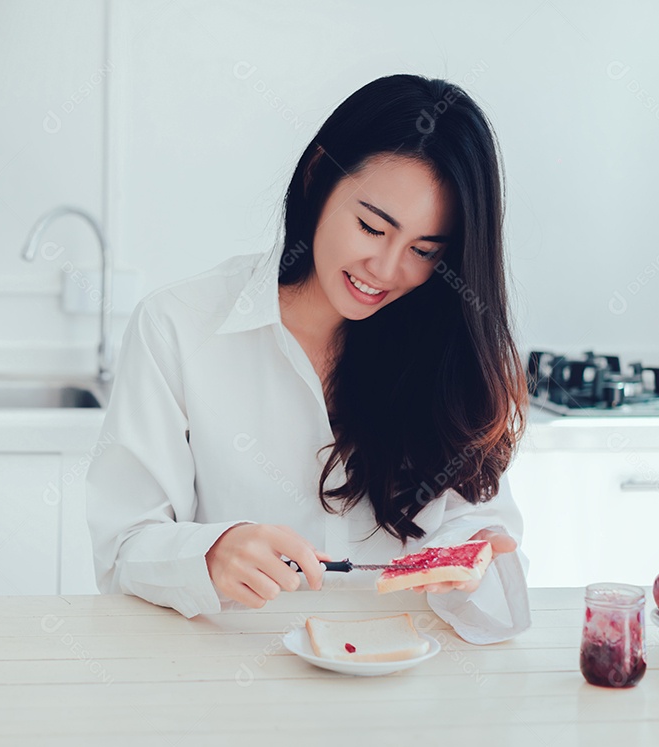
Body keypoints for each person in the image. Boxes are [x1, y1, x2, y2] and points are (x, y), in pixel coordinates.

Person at [85, 74, 531, 644]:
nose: (387, 270)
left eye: (424, 251)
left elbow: (487, 560)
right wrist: (210, 553)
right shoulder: (178, 326)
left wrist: (475, 565)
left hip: (402, 689)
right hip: (231, 687)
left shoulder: (448, 351)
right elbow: (122, 548)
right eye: (371, 226)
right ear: (320, 176)